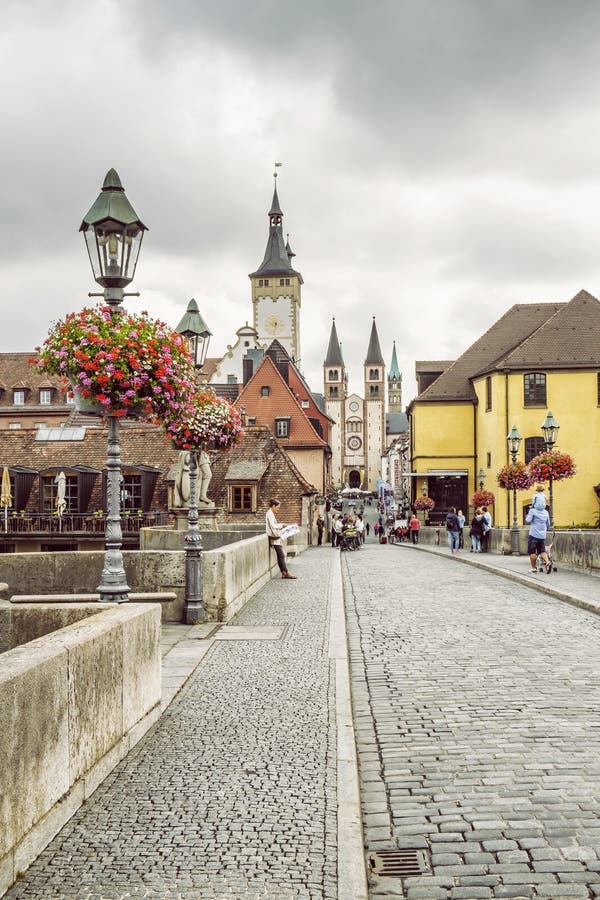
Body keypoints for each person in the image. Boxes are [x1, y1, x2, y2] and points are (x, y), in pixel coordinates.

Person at [265, 499, 297, 579]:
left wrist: (282, 525)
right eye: (277, 507)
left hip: (276, 537)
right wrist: (282, 525)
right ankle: (286, 573)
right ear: (273, 506)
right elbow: (273, 526)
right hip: (274, 537)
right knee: (281, 555)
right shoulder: (269, 514)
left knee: (280, 556)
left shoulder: (271, 513)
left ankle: (284, 573)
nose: (278, 509)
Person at [526, 502, 551, 574]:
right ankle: (547, 562)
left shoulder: (533, 511)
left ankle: (533, 568)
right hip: (542, 535)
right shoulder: (546, 512)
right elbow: (548, 524)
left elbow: (528, 520)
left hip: (533, 534)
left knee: (532, 552)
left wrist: (529, 514)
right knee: (542, 550)